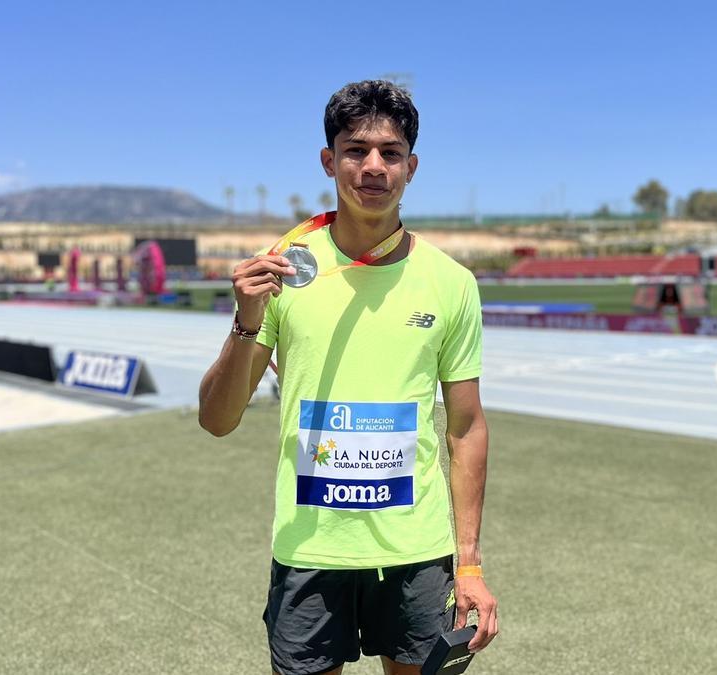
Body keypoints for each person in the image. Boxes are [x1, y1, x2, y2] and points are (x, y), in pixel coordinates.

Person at [198, 80, 498, 675]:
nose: (373, 166)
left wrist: (468, 563)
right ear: (329, 160)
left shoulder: (451, 282)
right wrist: (246, 321)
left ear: (411, 167)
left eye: (390, 153)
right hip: (311, 549)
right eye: (356, 150)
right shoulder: (282, 273)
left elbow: (466, 426)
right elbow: (217, 419)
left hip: (416, 553)